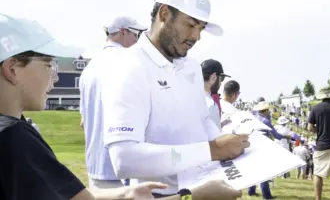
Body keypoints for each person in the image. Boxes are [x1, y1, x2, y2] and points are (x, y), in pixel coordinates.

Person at [0, 13, 244, 200]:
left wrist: (126, 194)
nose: (54, 77)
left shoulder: (16, 130)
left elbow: (72, 195)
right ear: (12, 69)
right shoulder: (14, 140)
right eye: (48, 65)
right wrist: (193, 195)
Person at [95, 0, 249, 197]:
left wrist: (230, 145)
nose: (196, 36)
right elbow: (123, 158)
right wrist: (213, 149)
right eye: (190, 24)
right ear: (165, 13)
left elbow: (200, 121)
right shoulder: (128, 66)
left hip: (205, 186)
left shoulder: (192, 67)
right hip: (163, 195)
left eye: (201, 28)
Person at [80, 16, 147, 188]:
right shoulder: (130, 61)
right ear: (123, 32)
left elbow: (83, 122)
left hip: (95, 165)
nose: (138, 40)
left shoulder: (88, 69)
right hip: (122, 167)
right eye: (136, 34)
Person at [248, 101, 289, 199]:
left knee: (254, 170)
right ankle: (266, 195)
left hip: (252, 146)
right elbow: (275, 135)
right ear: (265, 110)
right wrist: (286, 137)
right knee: (264, 171)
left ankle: (251, 191)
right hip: (262, 146)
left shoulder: (253, 119)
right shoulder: (265, 121)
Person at [201, 59, 230, 130]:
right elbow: (215, 140)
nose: (221, 83)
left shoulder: (191, 99)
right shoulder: (211, 104)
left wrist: (219, 125)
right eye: (222, 78)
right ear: (213, 77)